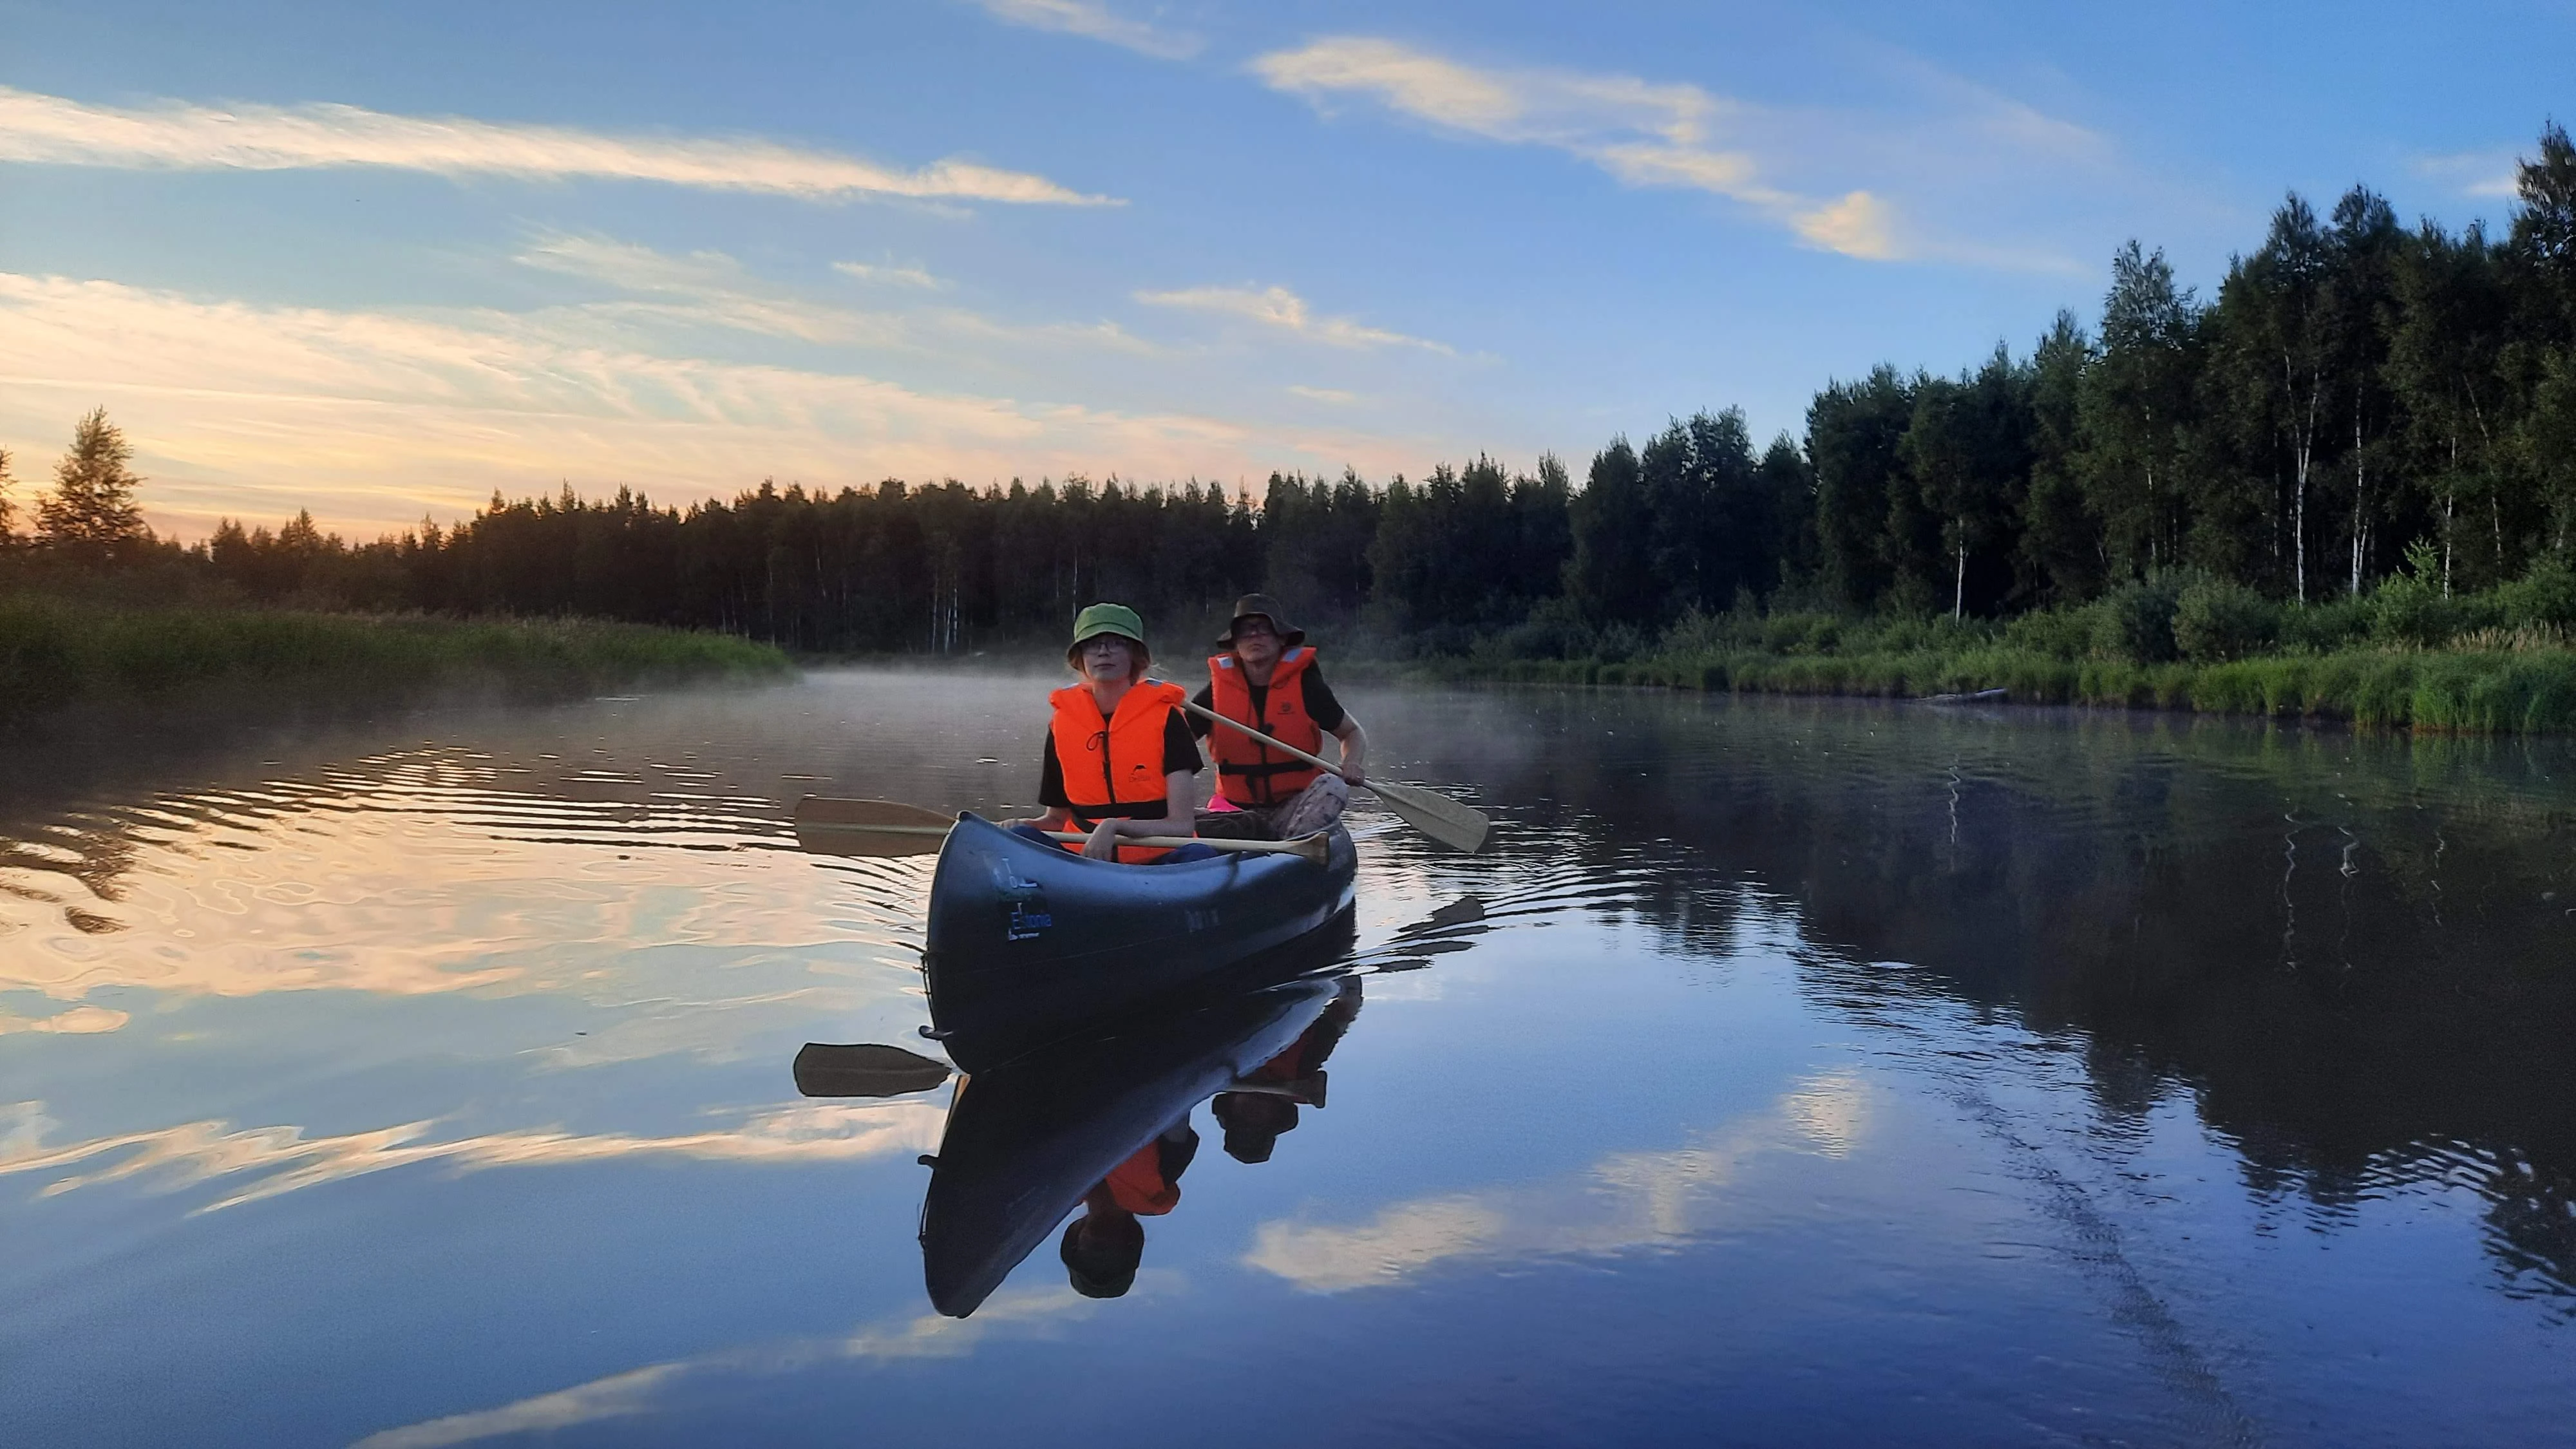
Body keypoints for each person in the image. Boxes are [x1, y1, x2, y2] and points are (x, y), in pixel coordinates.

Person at [1014, 603, 1218, 864]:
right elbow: (1055, 819)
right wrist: (1022, 825)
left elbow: (1180, 824)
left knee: (1200, 855)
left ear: (1134, 655)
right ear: (1081, 658)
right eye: (1092, 644)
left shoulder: (1168, 720)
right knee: (1020, 835)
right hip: (1083, 860)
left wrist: (1115, 826)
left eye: (1116, 643)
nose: (1103, 652)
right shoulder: (1062, 723)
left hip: (1158, 860)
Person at [1189, 594, 1368, 842]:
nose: (1254, 636)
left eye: (1264, 629)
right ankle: (1253, 838)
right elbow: (1177, 742)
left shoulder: (1307, 685)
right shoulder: (1215, 692)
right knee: (1180, 812)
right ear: (1235, 642)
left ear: (1281, 638)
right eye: (1245, 631)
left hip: (1294, 806)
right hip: (1234, 810)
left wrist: (1351, 763)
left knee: (1333, 786)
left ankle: (1290, 846)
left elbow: (1352, 733)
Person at [1059, 1116, 1199, 1299]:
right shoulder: (1166, 1173)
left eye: (1089, 1260)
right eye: (1110, 1260)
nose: (1100, 1254)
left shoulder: (1058, 1182)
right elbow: (1178, 1099)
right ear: (1129, 1245)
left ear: (1074, 1241)